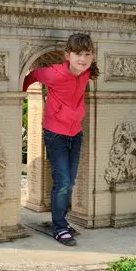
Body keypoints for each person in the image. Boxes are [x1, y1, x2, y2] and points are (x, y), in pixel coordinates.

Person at [22, 33, 98, 246]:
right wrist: (18, 95)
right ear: (67, 55)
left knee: (70, 181)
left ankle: (61, 219)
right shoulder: (54, 74)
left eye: (87, 54)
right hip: (54, 134)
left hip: (76, 134)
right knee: (63, 181)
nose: (82, 59)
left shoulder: (86, 73)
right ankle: (60, 227)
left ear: (92, 57)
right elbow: (33, 74)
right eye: (78, 54)